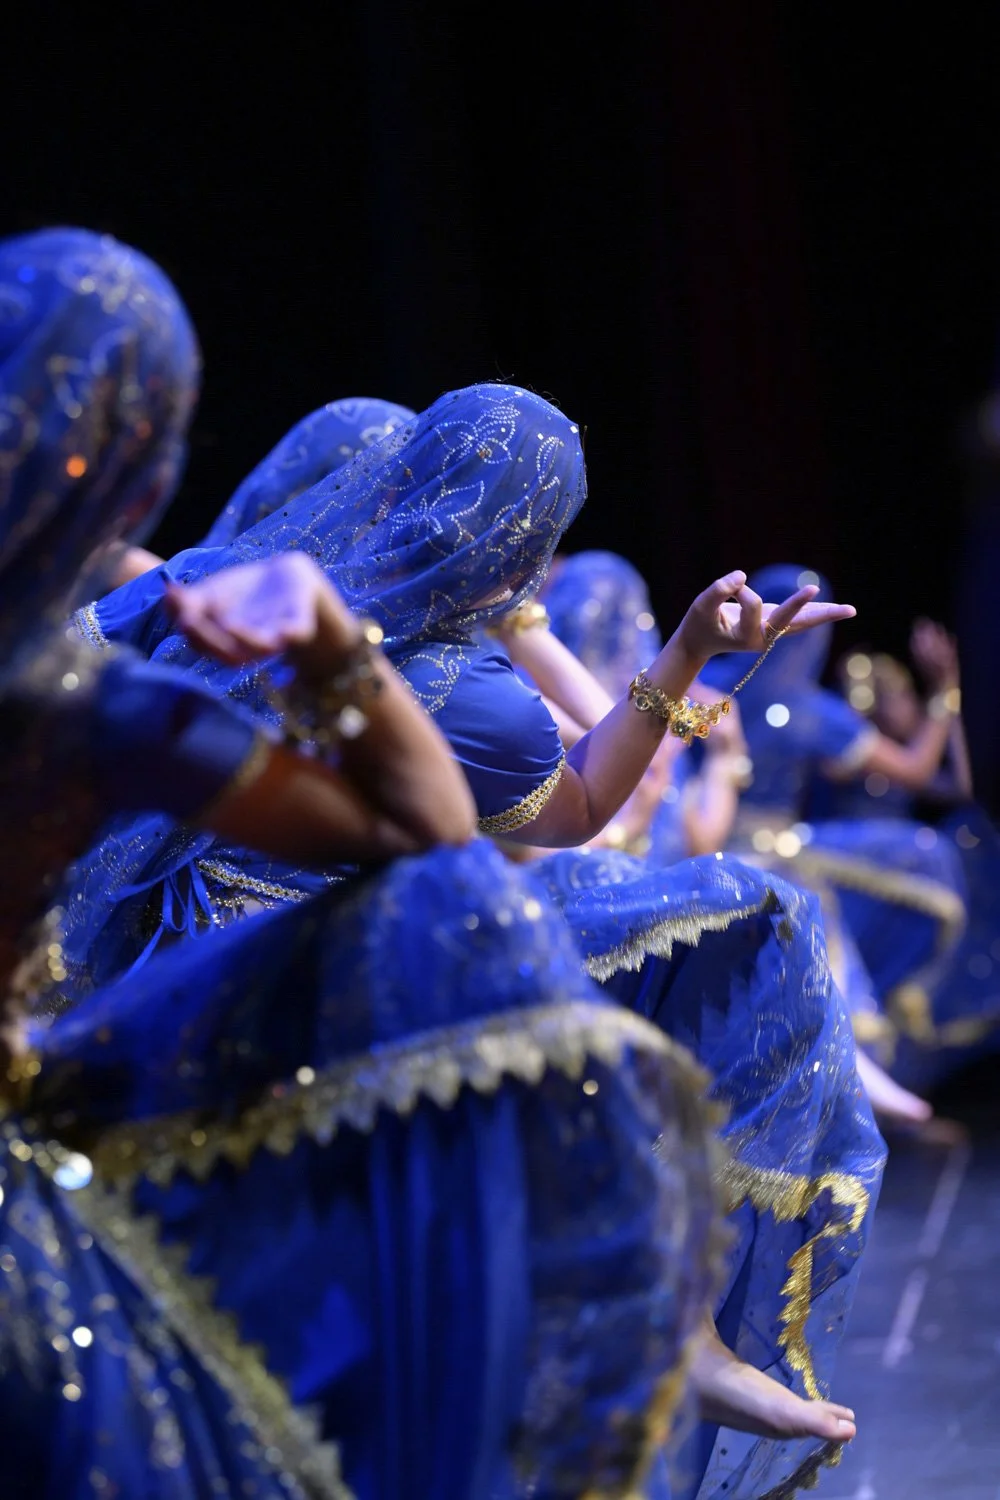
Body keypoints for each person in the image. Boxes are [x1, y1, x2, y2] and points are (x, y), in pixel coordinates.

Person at [0, 228, 726, 1499]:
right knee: (507, 942)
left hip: (113, 994)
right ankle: (669, 1326)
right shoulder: (99, 697)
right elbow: (452, 834)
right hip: (159, 1062)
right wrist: (341, 651)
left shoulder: (162, 602)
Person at [65, 384, 884, 1500]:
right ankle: (673, 1324)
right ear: (524, 553)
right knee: (730, 924)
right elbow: (583, 809)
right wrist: (689, 649)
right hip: (305, 1001)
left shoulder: (213, 580)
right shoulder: (462, 690)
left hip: (117, 977)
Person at [699, 565, 970, 1122]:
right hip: (764, 848)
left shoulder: (705, 682)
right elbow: (917, 769)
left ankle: (839, 1082)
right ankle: (849, 1077)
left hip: (698, 846)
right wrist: (946, 693)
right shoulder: (807, 710)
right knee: (848, 890)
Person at [824, 628, 1000, 1094]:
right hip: (853, 881)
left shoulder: (896, 750)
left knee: (971, 832)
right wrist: (943, 692)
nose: (910, 707)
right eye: (900, 697)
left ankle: (896, 1093)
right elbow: (919, 767)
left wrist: (951, 702)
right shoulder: (848, 745)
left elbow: (961, 785)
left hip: (900, 883)